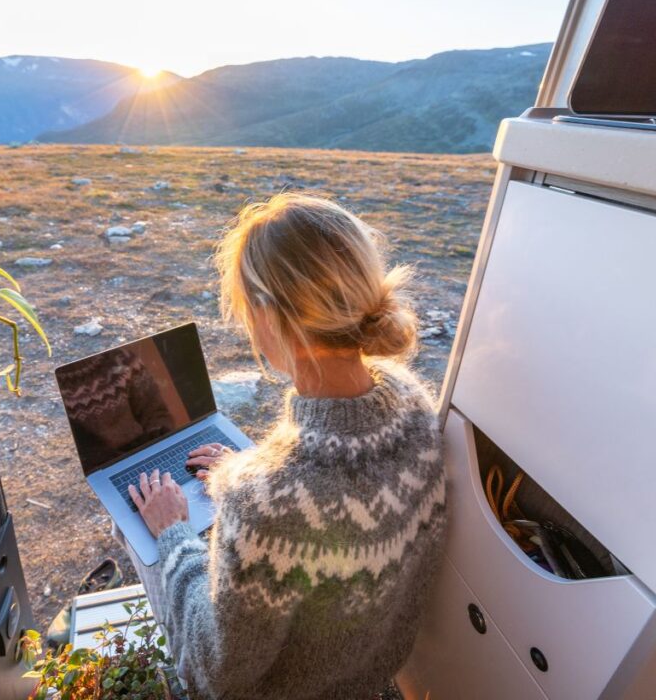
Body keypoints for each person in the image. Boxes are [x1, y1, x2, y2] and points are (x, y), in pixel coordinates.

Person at [116, 191, 447, 700]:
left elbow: (214, 671)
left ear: (268, 317)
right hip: (372, 681)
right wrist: (249, 471)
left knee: (139, 534)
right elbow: (337, 486)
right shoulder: (414, 405)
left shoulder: (264, 503)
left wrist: (175, 534)